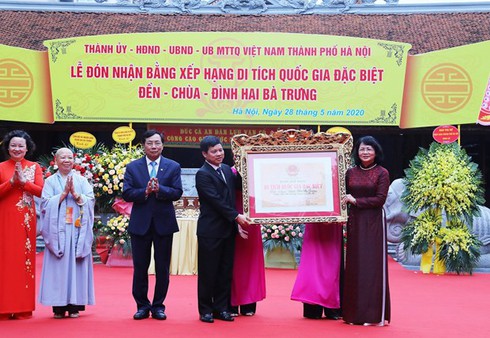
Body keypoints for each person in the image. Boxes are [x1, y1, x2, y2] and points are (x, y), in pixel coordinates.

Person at [122, 130, 183, 320]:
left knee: (162, 268)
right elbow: (127, 193)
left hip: (164, 224)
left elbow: (177, 192)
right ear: (143, 145)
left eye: (157, 143)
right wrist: (145, 191)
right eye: (150, 143)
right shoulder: (133, 167)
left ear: (163, 145)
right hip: (140, 225)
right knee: (140, 267)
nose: (154, 146)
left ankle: (158, 306)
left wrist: (160, 189)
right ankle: (142, 305)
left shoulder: (173, 166)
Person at [195, 135, 250, 323]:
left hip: (228, 230)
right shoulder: (202, 174)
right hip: (210, 231)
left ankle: (221, 308)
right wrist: (237, 217)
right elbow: (216, 201)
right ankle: (206, 310)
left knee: (225, 272)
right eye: (214, 151)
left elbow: (241, 189)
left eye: (220, 150)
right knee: (208, 272)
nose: (219, 154)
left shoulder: (227, 170)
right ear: (205, 154)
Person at [38, 147, 95, 318]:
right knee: (58, 267)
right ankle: (58, 306)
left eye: (70, 157)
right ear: (56, 161)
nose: (67, 160)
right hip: (58, 232)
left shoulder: (82, 180)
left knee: (77, 267)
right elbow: (44, 205)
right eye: (63, 157)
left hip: (77, 230)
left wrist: (77, 195)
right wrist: (63, 194)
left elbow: (90, 201)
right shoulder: (50, 182)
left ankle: (75, 305)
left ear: (74, 160)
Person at [341, 135, 391, 326]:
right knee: (354, 266)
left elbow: (380, 199)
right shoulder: (350, 172)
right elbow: (341, 194)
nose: (365, 152)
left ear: (376, 152)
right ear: (357, 151)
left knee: (371, 266)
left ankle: (373, 315)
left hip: (373, 222)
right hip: (354, 222)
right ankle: (353, 314)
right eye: (362, 149)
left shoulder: (382, 173)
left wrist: (356, 201)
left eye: (369, 149)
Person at [0, 130, 44, 320]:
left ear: (27, 149)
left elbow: (42, 192)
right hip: (4, 219)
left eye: (21, 146)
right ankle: (3, 307)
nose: (17, 149)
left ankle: (23, 307)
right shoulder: (1, 167)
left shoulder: (35, 168)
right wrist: (11, 182)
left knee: (23, 261)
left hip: (25, 219)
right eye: (13, 145)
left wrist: (24, 182)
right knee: (4, 262)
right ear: (7, 147)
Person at [230, 167, 265, 317]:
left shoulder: (260, 167)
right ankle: (231, 303)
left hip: (253, 216)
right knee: (234, 262)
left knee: (250, 262)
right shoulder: (229, 172)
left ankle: (249, 302)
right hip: (233, 215)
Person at [290, 222, 343, 320]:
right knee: (312, 263)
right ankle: (313, 307)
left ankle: (331, 308)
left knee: (332, 262)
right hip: (314, 219)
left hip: (333, 221)